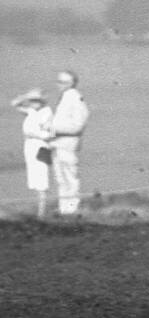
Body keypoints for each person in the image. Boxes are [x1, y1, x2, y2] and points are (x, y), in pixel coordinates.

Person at [50, 70, 89, 216]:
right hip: (58, 145)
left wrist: (53, 129)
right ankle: (64, 210)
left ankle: (71, 211)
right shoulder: (65, 97)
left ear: (72, 83)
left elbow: (78, 125)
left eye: (63, 82)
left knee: (70, 180)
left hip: (68, 145)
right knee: (61, 180)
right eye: (58, 81)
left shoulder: (75, 97)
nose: (59, 85)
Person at [10, 89, 54, 218]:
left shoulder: (47, 113)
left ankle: (42, 212)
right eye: (32, 101)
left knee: (41, 180)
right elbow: (15, 104)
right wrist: (25, 96)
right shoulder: (31, 111)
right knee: (34, 179)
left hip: (40, 147)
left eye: (36, 101)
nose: (33, 103)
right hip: (29, 146)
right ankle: (40, 210)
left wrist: (34, 134)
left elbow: (50, 134)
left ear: (42, 101)